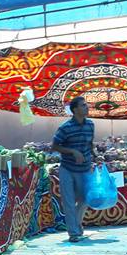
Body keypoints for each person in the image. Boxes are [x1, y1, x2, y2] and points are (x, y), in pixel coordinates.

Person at [50, 97, 94, 243]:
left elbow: (90, 144)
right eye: (83, 105)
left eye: (86, 105)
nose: (87, 107)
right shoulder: (65, 128)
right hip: (67, 168)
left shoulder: (90, 125)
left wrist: (94, 158)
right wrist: (72, 151)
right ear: (75, 109)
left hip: (85, 168)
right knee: (68, 201)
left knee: (85, 199)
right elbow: (55, 146)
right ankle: (73, 233)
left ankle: (77, 223)